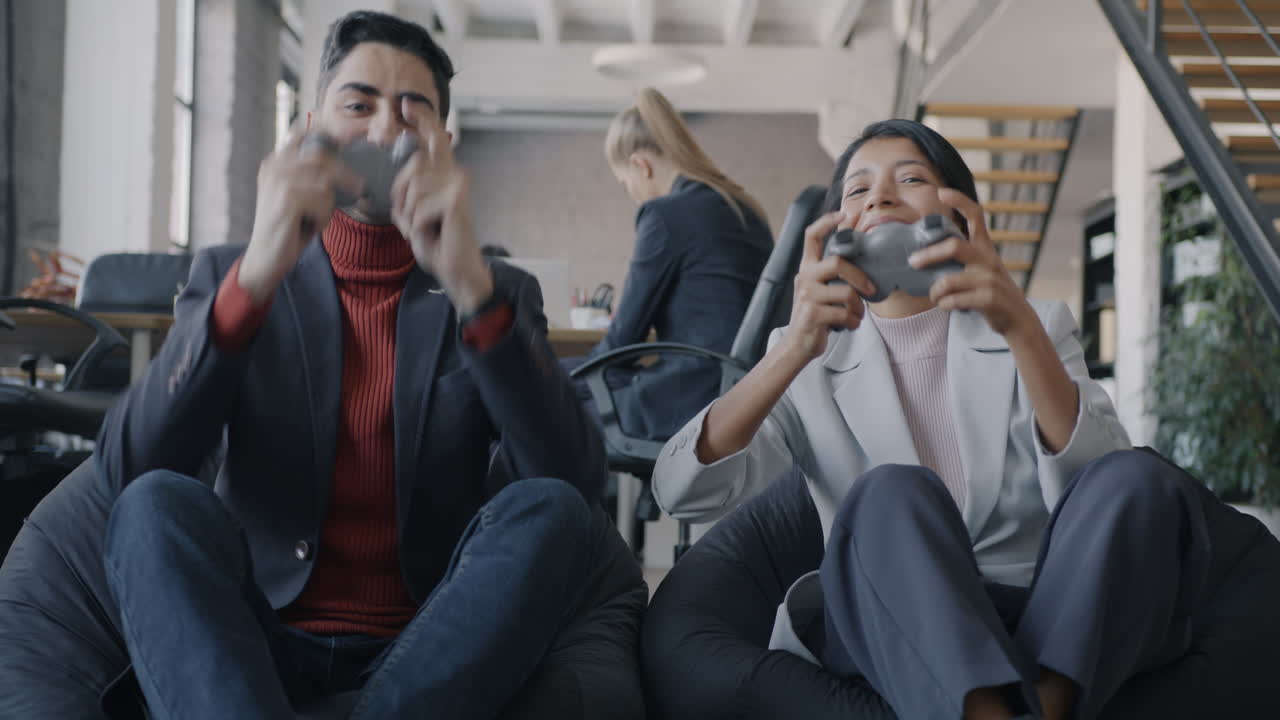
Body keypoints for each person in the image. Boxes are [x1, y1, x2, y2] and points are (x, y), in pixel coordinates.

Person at [93, 11, 632, 719]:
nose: (384, 133)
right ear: (312, 125)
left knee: (552, 509)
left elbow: (576, 485)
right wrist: (257, 277)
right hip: (257, 638)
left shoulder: (495, 291)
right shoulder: (233, 271)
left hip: (429, 645)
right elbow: (128, 470)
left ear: (445, 142)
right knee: (153, 507)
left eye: (414, 113)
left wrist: (471, 286)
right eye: (359, 105)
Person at [652, 119, 1280, 719]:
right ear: (836, 227)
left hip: (1043, 619)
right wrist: (791, 347)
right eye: (859, 188)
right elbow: (682, 491)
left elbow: (1097, 491)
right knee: (888, 493)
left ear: (958, 215)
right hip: (892, 622)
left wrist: (1018, 329)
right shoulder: (808, 355)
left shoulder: (1037, 322)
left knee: (1138, 478)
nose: (882, 198)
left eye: (911, 179)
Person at [563, 87, 773, 443]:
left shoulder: (664, 215)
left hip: (691, 396)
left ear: (640, 166)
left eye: (624, 184)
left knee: (531, 403)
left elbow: (621, 343)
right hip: (743, 392)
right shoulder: (743, 207)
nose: (631, 195)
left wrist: (552, 381)